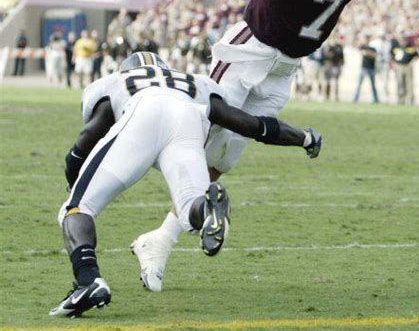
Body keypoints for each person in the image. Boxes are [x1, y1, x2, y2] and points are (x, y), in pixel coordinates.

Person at [135, 0, 419, 290]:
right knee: (198, 130)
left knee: (222, 160)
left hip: (286, 67)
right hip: (249, 48)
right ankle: (132, 148)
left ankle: (159, 239)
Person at [51, 52, 322, 316]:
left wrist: (73, 174)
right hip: (188, 119)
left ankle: (89, 281)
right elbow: (250, 124)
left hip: (142, 112)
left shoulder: (116, 81)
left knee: (76, 208)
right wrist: (303, 138)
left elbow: (89, 135)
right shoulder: (196, 82)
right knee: (190, 208)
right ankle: (207, 210)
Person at [392, 36, 418, 105]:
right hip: (399, 66)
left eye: (404, 41)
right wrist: (394, 65)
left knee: (409, 83)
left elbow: (416, 56)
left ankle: (410, 100)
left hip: (407, 66)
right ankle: (401, 99)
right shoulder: (396, 48)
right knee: (400, 83)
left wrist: (411, 63)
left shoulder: (410, 48)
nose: (402, 43)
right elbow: (392, 56)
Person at [353, 35, 379, 104]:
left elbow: (375, 55)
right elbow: (362, 52)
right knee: (359, 85)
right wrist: (370, 54)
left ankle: (376, 99)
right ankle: (355, 99)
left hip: (371, 68)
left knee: (373, 85)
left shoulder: (373, 48)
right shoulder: (363, 47)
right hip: (364, 68)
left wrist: (368, 53)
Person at [323, 37, 344, 101]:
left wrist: (341, 64)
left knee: (336, 82)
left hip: (336, 65)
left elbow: (342, 57)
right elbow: (325, 56)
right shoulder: (328, 46)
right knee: (328, 81)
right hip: (329, 65)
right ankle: (327, 96)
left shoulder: (339, 46)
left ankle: (336, 96)